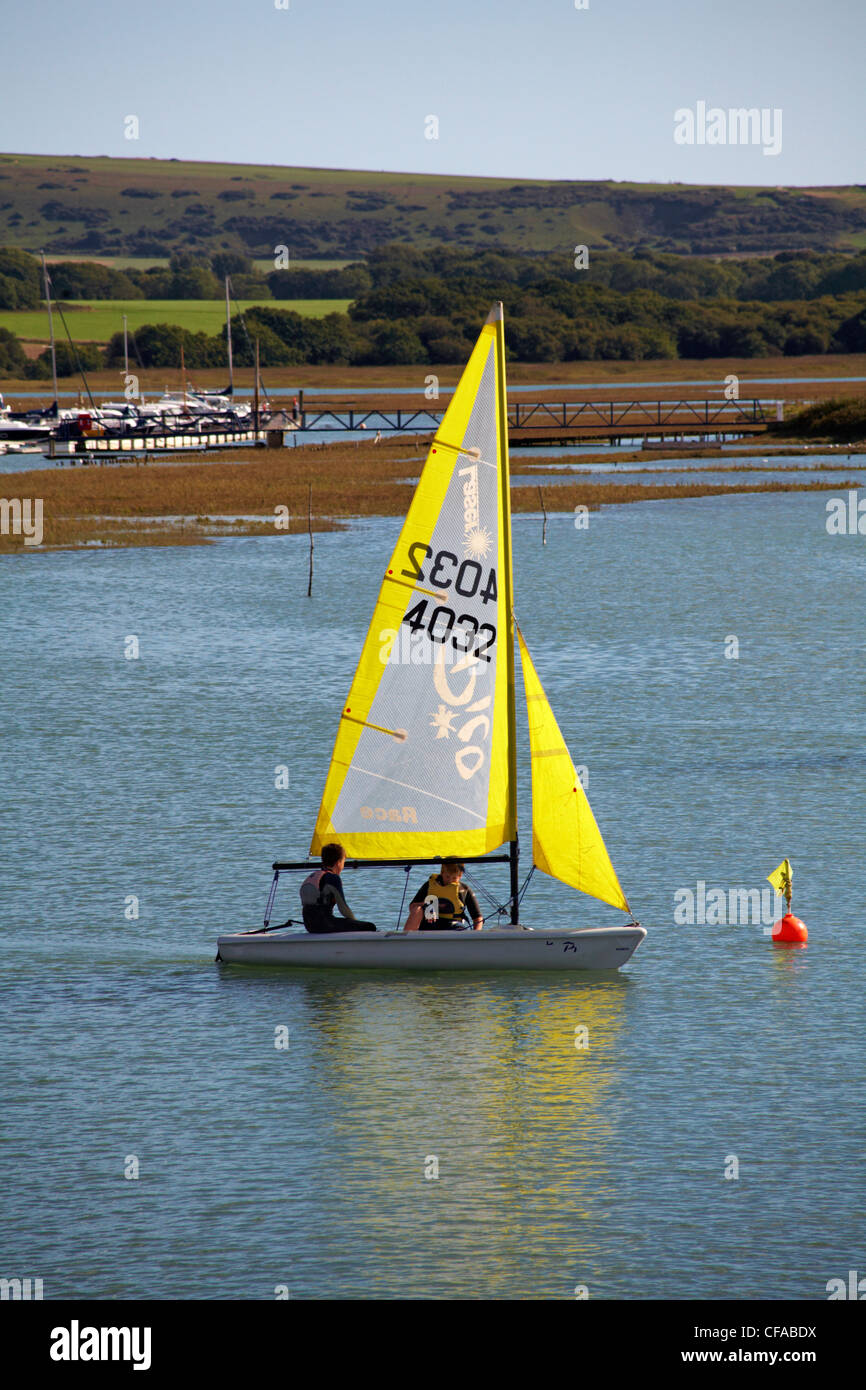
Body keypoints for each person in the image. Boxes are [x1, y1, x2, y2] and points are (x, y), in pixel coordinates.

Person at [300, 844, 377, 933]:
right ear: (338, 863)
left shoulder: (311, 877)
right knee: (369, 927)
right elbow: (343, 909)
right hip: (325, 924)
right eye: (344, 861)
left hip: (309, 926)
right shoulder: (332, 878)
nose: (343, 866)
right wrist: (355, 923)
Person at [403, 858, 483, 933]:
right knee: (417, 909)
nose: (450, 880)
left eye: (454, 878)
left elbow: (478, 918)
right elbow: (412, 906)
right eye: (447, 877)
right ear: (442, 872)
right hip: (430, 922)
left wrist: (475, 935)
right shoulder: (430, 885)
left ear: (460, 876)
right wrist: (429, 905)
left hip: (453, 924)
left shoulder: (464, 890)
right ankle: (405, 941)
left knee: (460, 930)